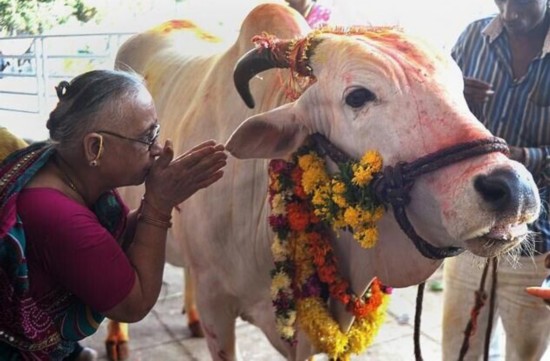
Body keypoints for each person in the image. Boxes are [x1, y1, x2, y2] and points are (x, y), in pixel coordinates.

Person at [0, 69, 227, 360]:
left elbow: (110, 240)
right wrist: (158, 206)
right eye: (147, 138)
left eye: (156, 133)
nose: (158, 149)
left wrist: (158, 202)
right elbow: (134, 303)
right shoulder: (57, 216)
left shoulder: (66, 169)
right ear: (95, 147)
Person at [441, 0, 550, 360]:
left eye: (519, 1)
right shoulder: (474, 37)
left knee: (526, 351)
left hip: (537, 241)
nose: (508, 11)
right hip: (471, 229)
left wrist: (524, 157)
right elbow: (435, 118)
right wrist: (456, 99)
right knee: (461, 347)